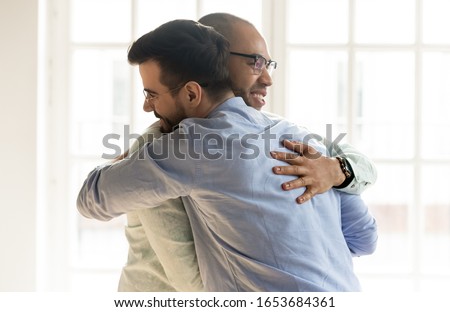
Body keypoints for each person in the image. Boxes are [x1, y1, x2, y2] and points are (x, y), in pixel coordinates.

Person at [77, 19, 377, 291]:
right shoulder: (301, 138)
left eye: (151, 94)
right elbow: (364, 239)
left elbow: (91, 200)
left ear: (192, 94)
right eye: (255, 63)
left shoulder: (189, 146)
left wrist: (137, 154)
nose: (147, 107)